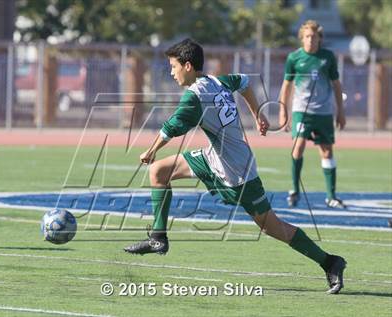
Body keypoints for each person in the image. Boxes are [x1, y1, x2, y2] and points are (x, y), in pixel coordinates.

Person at [124, 38, 346, 294]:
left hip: (237, 171)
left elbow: (169, 129)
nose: (171, 73)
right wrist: (257, 114)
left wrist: (149, 151)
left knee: (271, 226)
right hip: (215, 158)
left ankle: (330, 262)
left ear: (187, 66)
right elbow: (245, 82)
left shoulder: (194, 97)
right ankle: (158, 238)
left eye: (173, 67)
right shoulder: (218, 81)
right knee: (159, 171)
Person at [278, 20, 347, 209]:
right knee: (298, 147)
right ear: (302, 38)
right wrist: (283, 110)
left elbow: (336, 84)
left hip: (324, 112)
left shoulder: (327, 57)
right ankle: (294, 190)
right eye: (307, 36)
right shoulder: (294, 58)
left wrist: (340, 111)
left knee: (326, 151)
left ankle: (331, 196)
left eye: (314, 36)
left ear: (319, 38)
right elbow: (286, 86)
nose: (310, 40)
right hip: (302, 111)